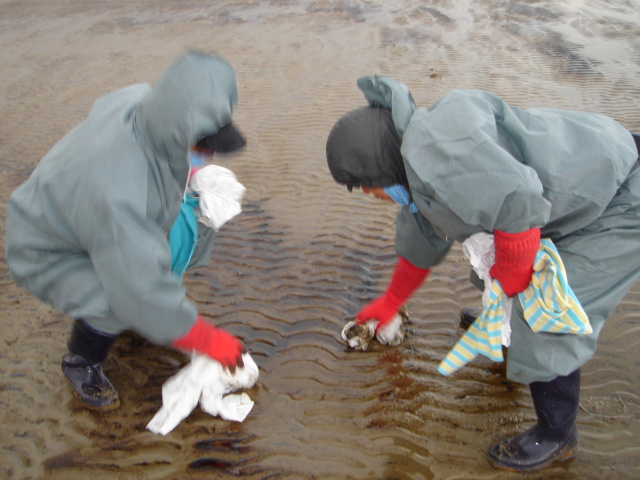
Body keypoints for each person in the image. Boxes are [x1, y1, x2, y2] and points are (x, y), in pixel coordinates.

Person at [325, 75, 640, 472]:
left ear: (377, 169)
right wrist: (389, 302)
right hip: (562, 190)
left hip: (617, 194)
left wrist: (511, 287)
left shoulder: (444, 156)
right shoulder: (411, 165)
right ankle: (509, 340)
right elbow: (422, 244)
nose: (369, 196)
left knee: (545, 310)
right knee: (500, 274)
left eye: (365, 188)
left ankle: (557, 435)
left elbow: (519, 206)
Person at [4, 50, 248, 412]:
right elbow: (140, 287)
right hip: (44, 246)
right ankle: (80, 362)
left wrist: (192, 174)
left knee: (187, 226)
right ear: (178, 130)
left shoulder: (142, 101)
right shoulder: (119, 193)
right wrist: (208, 340)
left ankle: (146, 320)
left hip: (81, 214)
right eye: (201, 145)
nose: (207, 155)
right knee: (119, 295)